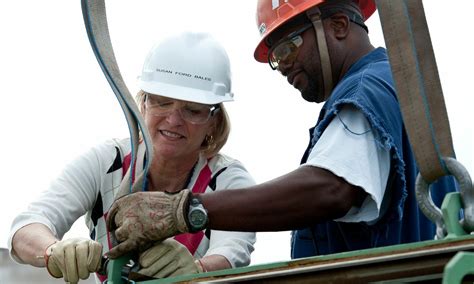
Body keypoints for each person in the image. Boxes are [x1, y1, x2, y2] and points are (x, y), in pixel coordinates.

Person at [106, 0, 456, 262]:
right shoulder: (394, 87)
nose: (282, 66)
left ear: (336, 25)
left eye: (288, 47)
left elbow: (331, 189)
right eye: (275, 56)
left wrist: (185, 210)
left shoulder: (367, 91)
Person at [8, 32, 256, 283]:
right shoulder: (107, 161)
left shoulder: (228, 179)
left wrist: (199, 269)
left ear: (213, 122)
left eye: (192, 110)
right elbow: (26, 228)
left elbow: (233, 250)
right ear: (143, 103)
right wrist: (54, 250)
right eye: (162, 102)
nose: (173, 120)